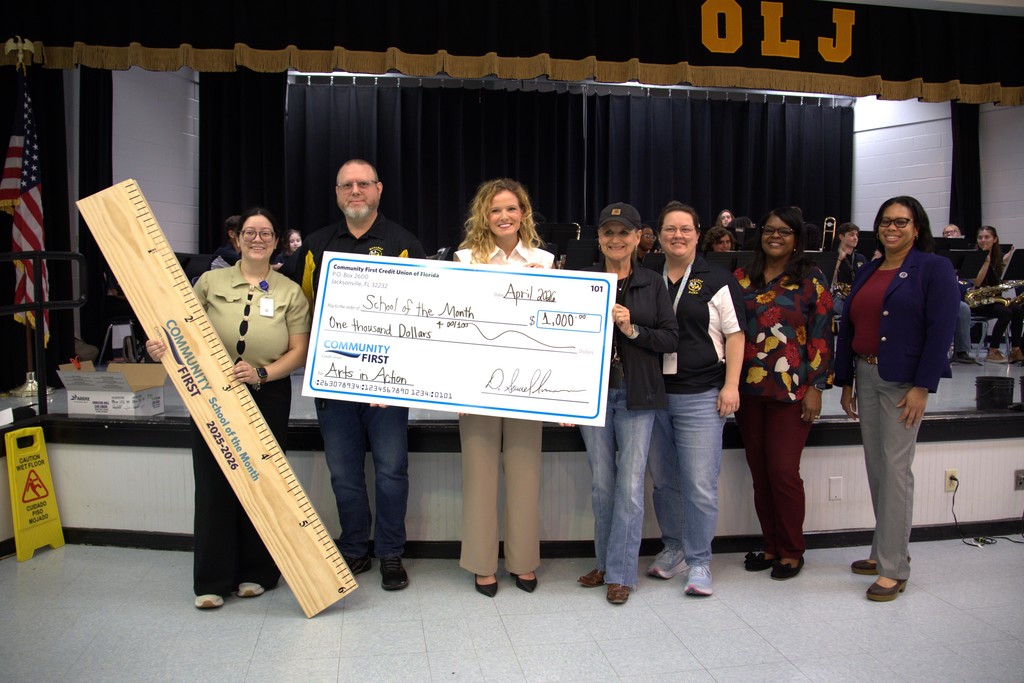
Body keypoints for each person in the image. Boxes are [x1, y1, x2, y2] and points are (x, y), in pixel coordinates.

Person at [146, 207, 311, 609]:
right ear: (237, 238)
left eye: (266, 233)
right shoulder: (208, 281)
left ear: (276, 242)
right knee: (214, 482)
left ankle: (257, 572)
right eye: (250, 233)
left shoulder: (289, 290)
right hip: (211, 393)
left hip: (267, 392)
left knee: (264, 482)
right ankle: (213, 579)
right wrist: (161, 349)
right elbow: (178, 328)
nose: (258, 239)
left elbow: (299, 350)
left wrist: (262, 373)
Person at [293, 159, 426, 590]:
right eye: (347, 185)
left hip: (388, 384)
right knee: (343, 473)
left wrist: (403, 373)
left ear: (378, 189)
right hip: (333, 381)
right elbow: (296, 309)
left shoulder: (404, 244)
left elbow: (425, 316)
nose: (355, 191)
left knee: (390, 470)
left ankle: (389, 552)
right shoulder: (314, 246)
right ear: (336, 193)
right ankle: (354, 548)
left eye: (363, 184)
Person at [835, 196, 959, 601]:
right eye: (886, 221)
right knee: (877, 467)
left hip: (904, 384)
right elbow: (852, 325)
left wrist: (923, 386)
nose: (892, 228)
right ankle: (882, 550)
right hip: (867, 375)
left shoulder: (933, 268)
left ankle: (895, 566)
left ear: (916, 228)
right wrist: (847, 380)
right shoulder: (870, 268)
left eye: (901, 222)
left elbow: (941, 329)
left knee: (895, 470)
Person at [453, 179, 553, 597]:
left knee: (525, 476)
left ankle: (523, 561)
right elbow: (451, 325)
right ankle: (481, 563)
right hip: (477, 384)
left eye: (512, 209)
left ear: (524, 214)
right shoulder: (463, 259)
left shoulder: (545, 261)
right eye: (495, 210)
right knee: (478, 477)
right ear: (484, 216)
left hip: (528, 385)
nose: (504, 217)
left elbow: (555, 329)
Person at [576, 202, 678, 605]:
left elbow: (670, 339)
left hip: (638, 396)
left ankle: (621, 573)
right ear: (598, 238)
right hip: (593, 398)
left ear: (639, 238)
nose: (615, 240)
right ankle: (603, 562)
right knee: (603, 485)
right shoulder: (582, 281)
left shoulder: (652, 284)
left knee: (631, 487)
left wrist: (633, 329)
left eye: (624, 233)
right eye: (608, 233)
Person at [646, 201, 744, 596]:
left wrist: (731, 386)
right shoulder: (647, 276)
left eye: (685, 229)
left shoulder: (717, 279)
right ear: (658, 235)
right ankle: (674, 548)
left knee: (700, 483)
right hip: (653, 396)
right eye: (670, 229)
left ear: (698, 234)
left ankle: (700, 560)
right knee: (665, 481)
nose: (677, 235)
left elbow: (735, 335)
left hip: (701, 395)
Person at [733, 207, 834, 580]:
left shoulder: (811, 278)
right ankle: (772, 546)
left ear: (797, 238)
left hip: (794, 392)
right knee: (760, 473)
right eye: (769, 230)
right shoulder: (743, 277)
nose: (775, 236)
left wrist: (817, 387)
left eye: (785, 232)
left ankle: (792, 549)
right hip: (747, 389)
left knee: (783, 471)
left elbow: (823, 333)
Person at [971, 225, 1024, 363]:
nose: (983, 240)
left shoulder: (998, 257)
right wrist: (985, 261)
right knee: (1006, 313)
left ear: (995, 239)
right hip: (978, 301)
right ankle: (993, 351)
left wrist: (1005, 263)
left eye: (987, 237)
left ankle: (1016, 350)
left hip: (994, 299)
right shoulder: (975, 257)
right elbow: (977, 282)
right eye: (980, 237)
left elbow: (1000, 284)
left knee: (1017, 310)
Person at [831, 222, 867, 316]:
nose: (855, 238)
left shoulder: (861, 258)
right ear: (841, 237)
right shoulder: (833, 257)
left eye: (856, 235)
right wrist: (839, 259)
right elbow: (830, 279)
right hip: (839, 298)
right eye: (851, 235)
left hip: (857, 297)